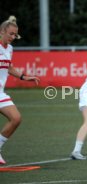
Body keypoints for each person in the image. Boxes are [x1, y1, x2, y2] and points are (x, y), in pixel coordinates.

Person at [0, 16, 40, 164]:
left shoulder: (9, 49)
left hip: (0, 93)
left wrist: (24, 77)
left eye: (14, 35)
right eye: (10, 33)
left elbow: (9, 67)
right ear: (2, 31)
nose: (13, 37)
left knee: (16, 118)